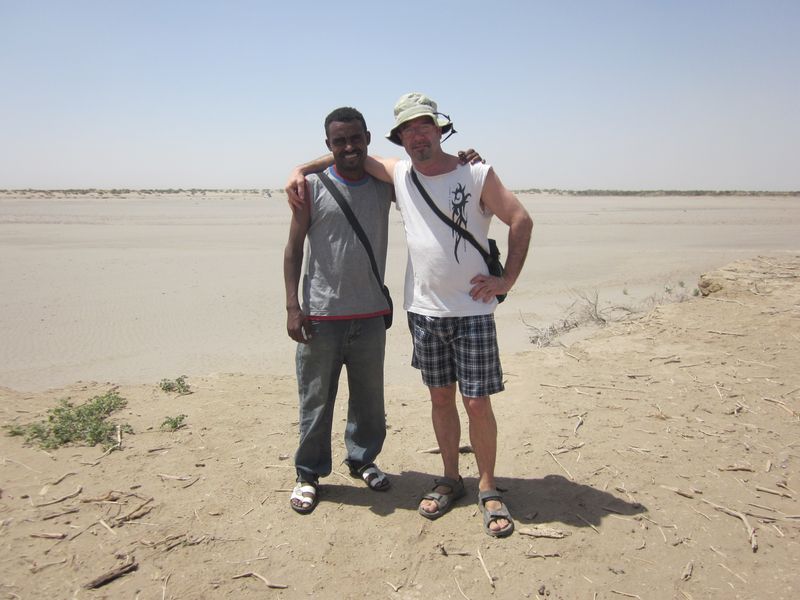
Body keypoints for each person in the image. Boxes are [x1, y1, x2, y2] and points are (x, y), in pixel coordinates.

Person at [287, 93, 533, 537]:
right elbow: (349, 149)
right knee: (438, 400)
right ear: (400, 138)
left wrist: (506, 282)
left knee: (476, 403)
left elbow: (520, 219)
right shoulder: (399, 173)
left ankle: (488, 486)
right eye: (408, 130)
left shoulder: (474, 172)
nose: (418, 136)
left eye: (425, 126)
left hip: (472, 310)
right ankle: (448, 479)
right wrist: (300, 169)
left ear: (440, 129)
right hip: (422, 311)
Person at [283, 107, 393, 514]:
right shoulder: (311, 187)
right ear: (328, 146)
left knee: (369, 401)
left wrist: (468, 160)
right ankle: (308, 474)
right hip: (320, 317)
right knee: (315, 401)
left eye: (355, 138)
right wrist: (293, 306)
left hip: (368, 316)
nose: (349, 147)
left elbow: (426, 177)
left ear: (367, 137)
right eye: (339, 141)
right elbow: (293, 249)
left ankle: (362, 460)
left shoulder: (383, 186)